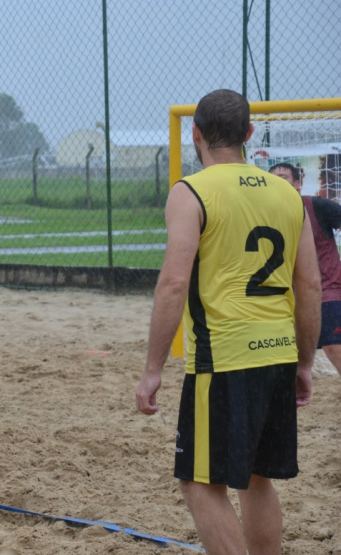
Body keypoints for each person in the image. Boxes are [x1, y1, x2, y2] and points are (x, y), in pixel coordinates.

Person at [134, 89, 321, 555]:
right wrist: (303, 363)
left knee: (199, 482)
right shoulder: (288, 193)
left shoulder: (191, 191)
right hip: (278, 351)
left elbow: (173, 284)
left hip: (224, 358)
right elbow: (311, 287)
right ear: (249, 135)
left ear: (194, 133)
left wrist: (153, 368)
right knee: (257, 479)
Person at [271, 162, 341, 375]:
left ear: (298, 184)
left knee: (333, 346)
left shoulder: (317, 206)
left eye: (282, 178)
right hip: (288, 295)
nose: (276, 184)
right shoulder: (265, 215)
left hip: (327, 291)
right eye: (272, 180)